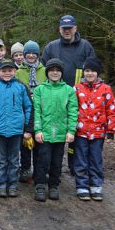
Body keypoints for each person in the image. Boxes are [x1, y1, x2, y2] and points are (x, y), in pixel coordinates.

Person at [41, 15, 95, 175]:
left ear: (75, 28)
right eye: (64, 28)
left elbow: (93, 70)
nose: (67, 31)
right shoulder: (51, 48)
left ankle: (74, 166)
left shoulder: (86, 47)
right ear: (59, 29)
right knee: (52, 132)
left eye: (69, 28)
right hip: (54, 98)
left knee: (76, 133)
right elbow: (42, 71)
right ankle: (51, 167)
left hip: (80, 98)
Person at [33, 58, 78, 202]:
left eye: (58, 70)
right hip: (44, 133)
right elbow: (37, 111)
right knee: (43, 160)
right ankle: (40, 185)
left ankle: (53, 185)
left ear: (62, 73)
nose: (55, 73)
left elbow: (72, 111)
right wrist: (37, 130)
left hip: (60, 133)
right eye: (52, 70)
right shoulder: (40, 89)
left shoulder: (69, 90)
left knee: (57, 162)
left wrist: (71, 131)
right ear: (47, 72)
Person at [0, 59, 33, 198]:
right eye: (4, 71)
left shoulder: (21, 87)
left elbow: (28, 107)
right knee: (0, 160)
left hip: (16, 130)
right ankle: (1, 185)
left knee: (13, 160)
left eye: (10, 71)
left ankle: (12, 185)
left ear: (15, 71)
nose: (7, 73)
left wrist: (27, 128)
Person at [74, 57, 115, 201]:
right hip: (81, 132)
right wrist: (71, 128)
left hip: (98, 132)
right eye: (87, 71)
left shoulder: (106, 89)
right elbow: (72, 110)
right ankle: (82, 186)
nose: (90, 73)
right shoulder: (77, 88)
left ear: (97, 73)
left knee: (96, 160)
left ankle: (96, 186)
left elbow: (111, 110)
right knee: (81, 160)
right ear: (83, 72)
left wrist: (110, 130)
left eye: (92, 71)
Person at [15, 40, 46, 183]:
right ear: (25, 55)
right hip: (25, 112)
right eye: (29, 53)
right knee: (25, 144)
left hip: (42, 112)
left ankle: (39, 171)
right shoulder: (19, 72)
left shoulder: (44, 70)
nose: (32, 56)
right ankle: (25, 169)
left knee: (40, 145)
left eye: (34, 53)